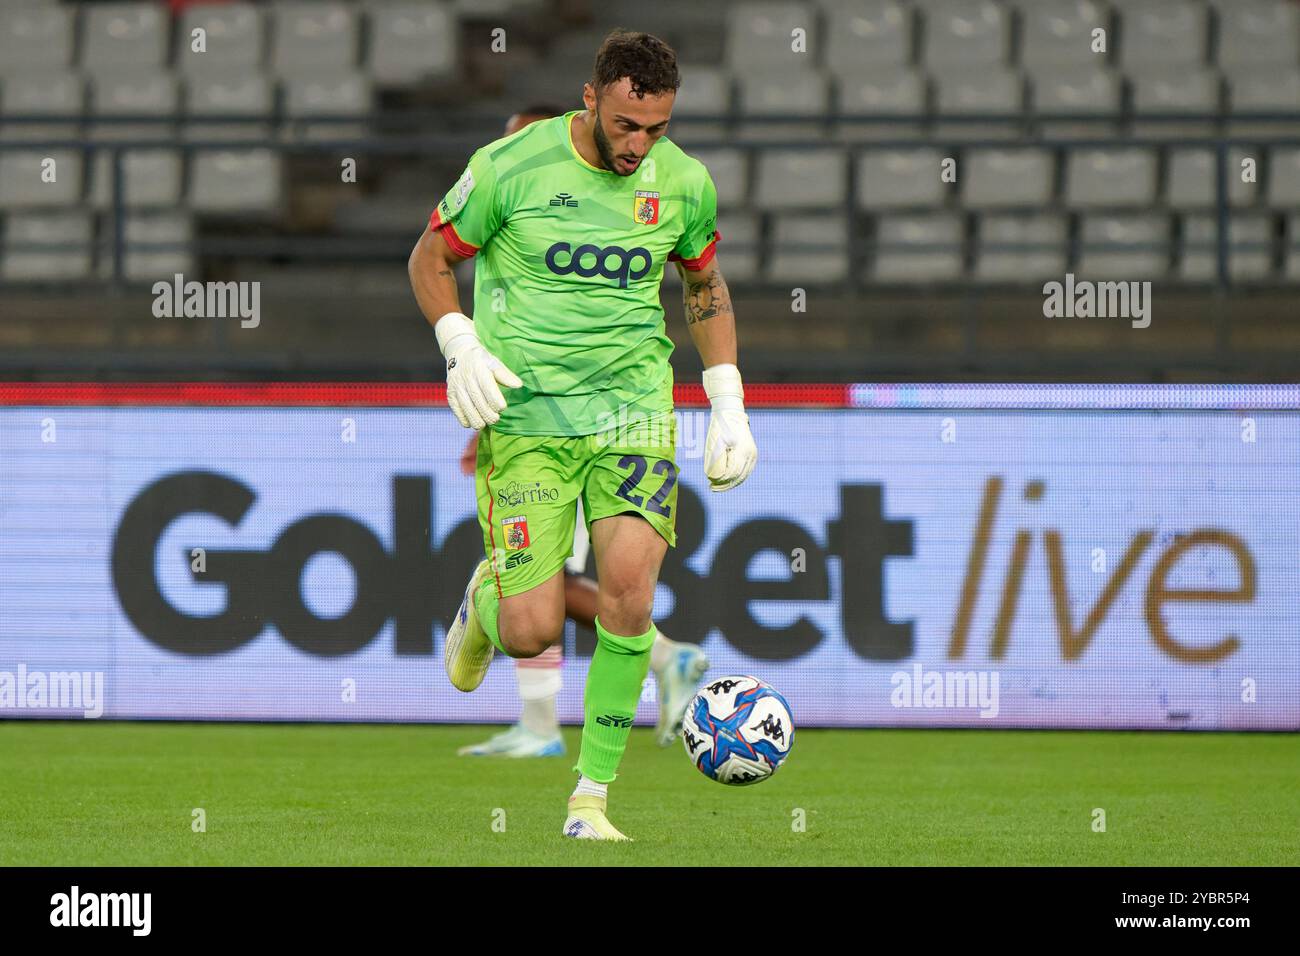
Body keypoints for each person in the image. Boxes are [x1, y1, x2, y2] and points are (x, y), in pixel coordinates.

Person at [408, 30, 757, 841]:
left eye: (658, 129)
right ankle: (483, 603)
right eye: (629, 126)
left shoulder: (684, 184)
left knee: (631, 592)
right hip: (526, 415)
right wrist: (458, 343)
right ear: (592, 97)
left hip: (634, 409)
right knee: (530, 627)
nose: (641, 146)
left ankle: (589, 799)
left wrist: (728, 399)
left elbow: (704, 286)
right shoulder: (510, 167)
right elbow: (430, 257)